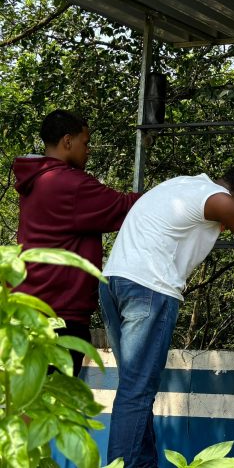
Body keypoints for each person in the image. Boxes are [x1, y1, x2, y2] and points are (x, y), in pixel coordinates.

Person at [99, 163, 234, 467]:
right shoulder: (222, 201)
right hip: (150, 289)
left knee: (133, 388)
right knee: (137, 391)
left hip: (114, 283)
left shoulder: (188, 186)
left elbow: (213, 218)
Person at [13, 109, 140, 377]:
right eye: (86, 142)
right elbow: (125, 207)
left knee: (33, 402)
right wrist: (176, 194)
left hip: (32, 309)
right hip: (59, 315)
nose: (89, 149)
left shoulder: (37, 179)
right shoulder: (68, 183)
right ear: (68, 141)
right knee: (55, 405)